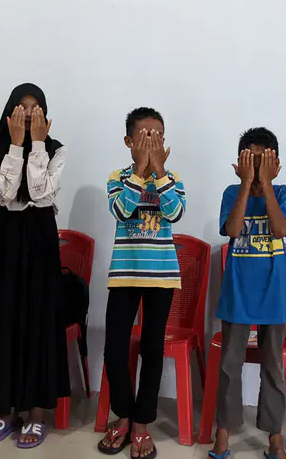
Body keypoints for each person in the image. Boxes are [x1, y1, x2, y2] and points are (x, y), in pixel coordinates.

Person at [0, 83, 69, 449]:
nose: (28, 115)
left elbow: (40, 192)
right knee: (3, 316)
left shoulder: (56, 151)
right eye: (21, 108)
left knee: (37, 317)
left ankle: (37, 413)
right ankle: (3, 408)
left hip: (40, 237)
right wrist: (15, 146)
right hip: (6, 238)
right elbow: (6, 194)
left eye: (36, 108)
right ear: (9, 113)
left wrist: (39, 144)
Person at [98, 107, 186, 459]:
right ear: (128, 142)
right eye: (144, 136)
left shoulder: (173, 178)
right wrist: (139, 171)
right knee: (115, 350)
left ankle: (142, 424)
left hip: (161, 278)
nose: (151, 143)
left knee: (152, 350)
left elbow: (175, 213)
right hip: (124, 276)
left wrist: (159, 171)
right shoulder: (118, 177)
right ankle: (123, 414)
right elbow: (121, 211)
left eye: (158, 136)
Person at [208, 127, 286, 459]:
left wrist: (267, 184)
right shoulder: (232, 193)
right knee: (229, 366)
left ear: (275, 164)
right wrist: (246, 184)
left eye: (263, 162)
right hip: (238, 295)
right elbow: (232, 230)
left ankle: (274, 435)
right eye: (251, 161)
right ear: (239, 163)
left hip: (275, 295)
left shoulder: (284, 192)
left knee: (272, 366)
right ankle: (223, 433)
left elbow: (279, 228)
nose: (257, 169)